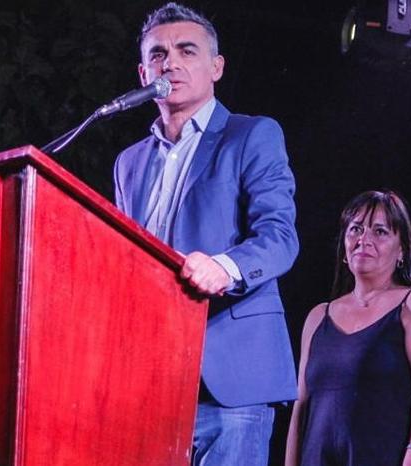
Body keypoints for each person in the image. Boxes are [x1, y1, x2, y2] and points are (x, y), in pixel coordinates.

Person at [113, 3, 299, 464]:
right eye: (158, 54)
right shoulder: (128, 162)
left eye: (187, 50)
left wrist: (225, 267)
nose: (170, 63)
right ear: (143, 73)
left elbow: (280, 237)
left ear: (216, 67)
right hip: (148, 377)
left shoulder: (251, 136)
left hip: (228, 382)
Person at [285, 190, 411, 466]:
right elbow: (301, 407)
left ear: (401, 250)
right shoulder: (318, 317)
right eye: (356, 229)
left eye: (380, 231)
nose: (364, 239)